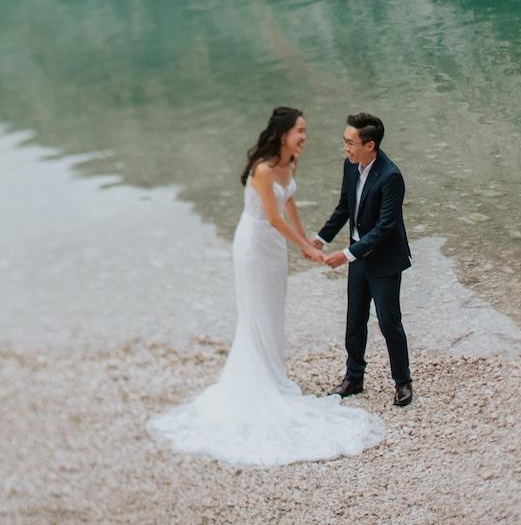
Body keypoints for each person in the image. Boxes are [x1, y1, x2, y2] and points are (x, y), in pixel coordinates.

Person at [148, 106, 384, 465]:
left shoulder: (288, 164)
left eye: (305, 131)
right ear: (282, 133)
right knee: (255, 313)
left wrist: (311, 242)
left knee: (273, 312)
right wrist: (304, 248)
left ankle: (273, 376)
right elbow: (273, 217)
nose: (304, 137)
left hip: (274, 247)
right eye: (299, 131)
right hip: (253, 245)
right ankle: (256, 383)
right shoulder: (261, 169)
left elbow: (290, 205)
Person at [314, 112, 413, 407]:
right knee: (354, 318)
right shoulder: (350, 165)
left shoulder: (391, 176)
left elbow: (384, 229)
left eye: (350, 142)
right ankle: (354, 377)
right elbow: (345, 206)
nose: (346, 148)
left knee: (388, 321)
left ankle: (403, 382)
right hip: (358, 257)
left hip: (384, 260)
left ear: (370, 145)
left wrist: (345, 255)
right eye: (345, 141)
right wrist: (321, 238)